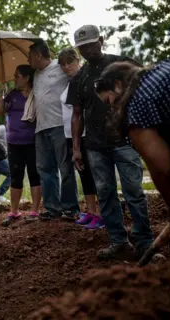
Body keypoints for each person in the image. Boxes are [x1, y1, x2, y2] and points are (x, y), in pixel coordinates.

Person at [68, 25, 155, 260]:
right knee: (105, 193)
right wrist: (76, 148)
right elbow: (77, 115)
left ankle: (145, 242)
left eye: (90, 44)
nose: (87, 50)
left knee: (134, 191)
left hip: (125, 140)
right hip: (95, 145)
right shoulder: (79, 78)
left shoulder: (122, 65)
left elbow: (147, 89)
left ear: (102, 40)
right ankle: (118, 241)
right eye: (82, 47)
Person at [95, 55, 170, 229]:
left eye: (109, 101)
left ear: (118, 85)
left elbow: (163, 170)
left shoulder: (138, 104)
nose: (112, 108)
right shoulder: (164, 70)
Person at [28, 39, 80, 221]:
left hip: (60, 124)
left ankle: (70, 208)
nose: (28, 60)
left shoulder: (60, 68)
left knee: (65, 167)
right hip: (41, 127)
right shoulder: (35, 74)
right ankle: (52, 208)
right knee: (45, 169)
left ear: (38, 55)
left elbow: (76, 78)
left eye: (30, 56)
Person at [58, 48, 104, 229]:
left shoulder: (86, 80)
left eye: (70, 62)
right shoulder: (71, 83)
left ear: (78, 60)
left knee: (93, 174)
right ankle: (91, 211)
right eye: (63, 64)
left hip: (85, 134)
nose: (67, 67)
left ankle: (101, 213)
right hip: (71, 135)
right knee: (84, 174)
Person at [0, 65, 42, 223]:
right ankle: (14, 212)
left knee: (35, 175)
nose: (14, 79)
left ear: (27, 77)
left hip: (33, 141)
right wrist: (1, 92)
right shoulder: (11, 94)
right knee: (16, 176)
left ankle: (35, 211)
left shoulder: (36, 93)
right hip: (14, 143)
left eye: (17, 76)